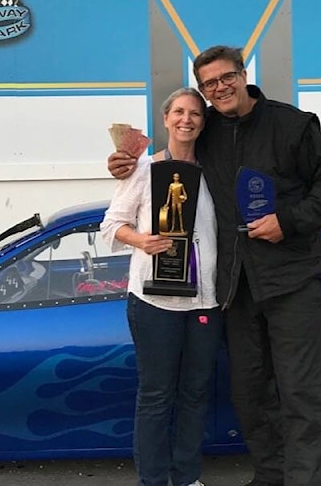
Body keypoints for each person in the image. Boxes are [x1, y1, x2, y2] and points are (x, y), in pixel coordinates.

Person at [108, 45, 321, 486]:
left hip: (290, 281)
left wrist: (288, 222)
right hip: (234, 289)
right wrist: (125, 164)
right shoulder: (210, 131)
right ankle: (270, 475)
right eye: (209, 84)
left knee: (301, 393)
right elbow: (168, 159)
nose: (219, 88)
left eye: (226, 78)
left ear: (243, 75)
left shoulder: (293, 124)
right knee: (250, 393)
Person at [100, 87, 222, 486]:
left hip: (205, 300)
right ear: (166, 119)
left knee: (196, 393)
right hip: (155, 302)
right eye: (180, 112)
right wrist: (141, 240)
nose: (187, 119)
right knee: (156, 396)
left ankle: (186, 477)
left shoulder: (215, 171)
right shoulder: (143, 169)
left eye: (196, 114)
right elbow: (110, 226)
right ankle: (152, 481)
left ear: (204, 123)